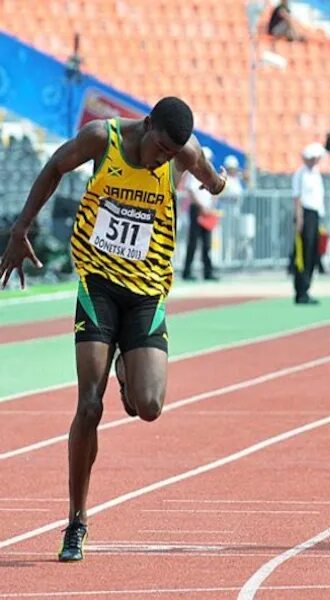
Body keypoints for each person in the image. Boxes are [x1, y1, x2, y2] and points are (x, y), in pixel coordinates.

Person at [0, 97, 227, 561]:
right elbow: (53, 166)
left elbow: (207, 173)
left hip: (147, 292)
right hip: (98, 285)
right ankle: (76, 521)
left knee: (149, 407)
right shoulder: (104, 138)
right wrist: (22, 227)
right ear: (146, 127)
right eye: (159, 148)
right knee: (88, 404)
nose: (162, 159)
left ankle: (128, 364)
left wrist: (217, 181)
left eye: (170, 154)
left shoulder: (181, 154)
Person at [292, 142, 326, 304]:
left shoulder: (316, 173)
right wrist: (299, 219)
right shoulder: (300, 174)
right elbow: (297, 198)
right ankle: (300, 290)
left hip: (315, 214)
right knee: (303, 254)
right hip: (305, 214)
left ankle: (307, 287)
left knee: (312, 253)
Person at [182, 146, 219, 281]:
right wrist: (201, 207)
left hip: (207, 210)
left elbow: (215, 192)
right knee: (193, 242)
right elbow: (191, 191)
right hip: (197, 210)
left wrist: (210, 206)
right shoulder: (194, 173)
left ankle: (208, 272)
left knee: (207, 244)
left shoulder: (209, 175)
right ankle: (187, 271)